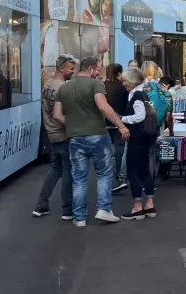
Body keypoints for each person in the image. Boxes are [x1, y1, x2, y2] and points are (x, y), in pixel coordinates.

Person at [53, 56, 129, 227]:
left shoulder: (64, 88)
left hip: (74, 138)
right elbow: (102, 106)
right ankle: (104, 209)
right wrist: (121, 126)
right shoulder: (96, 84)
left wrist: (73, 125)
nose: (99, 73)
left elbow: (57, 114)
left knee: (79, 177)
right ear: (90, 69)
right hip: (97, 135)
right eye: (98, 70)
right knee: (104, 173)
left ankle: (79, 217)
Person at [32, 55, 76, 219]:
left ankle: (41, 204)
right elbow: (60, 114)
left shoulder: (47, 85)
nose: (73, 72)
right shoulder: (63, 88)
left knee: (55, 169)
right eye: (71, 69)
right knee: (67, 171)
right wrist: (74, 126)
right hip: (63, 134)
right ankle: (67, 209)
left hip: (51, 133)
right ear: (62, 68)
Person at [118, 68, 157, 220]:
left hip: (137, 137)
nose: (123, 83)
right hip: (145, 138)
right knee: (144, 170)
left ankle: (137, 207)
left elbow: (140, 116)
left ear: (133, 81)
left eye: (125, 80)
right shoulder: (143, 94)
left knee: (133, 171)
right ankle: (150, 204)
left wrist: (122, 119)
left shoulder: (137, 95)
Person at [104, 63, 129, 194]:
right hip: (120, 120)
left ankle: (109, 177)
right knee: (119, 149)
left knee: (107, 151)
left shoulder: (102, 86)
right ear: (119, 73)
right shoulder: (123, 87)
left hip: (105, 121)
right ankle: (120, 175)